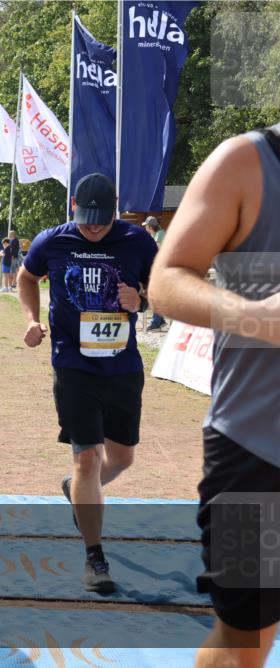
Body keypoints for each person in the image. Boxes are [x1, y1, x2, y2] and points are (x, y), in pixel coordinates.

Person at [148, 124, 280, 668]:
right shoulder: (247, 161)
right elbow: (166, 280)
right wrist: (256, 316)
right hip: (257, 459)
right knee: (245, 642)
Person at [17, 172, 157, 594]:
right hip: (74, 366)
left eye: (101, 221)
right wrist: (31, 320)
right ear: (73, 206)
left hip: (124, 367)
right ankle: (95, 557)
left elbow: (164, 286)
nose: (93, 229)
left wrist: (144, 300)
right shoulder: (52, 240)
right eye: (86, 220)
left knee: (122, 459)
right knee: (87, 461)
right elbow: (26, 277)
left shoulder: (138, 241)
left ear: (115, 209)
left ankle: (76, 491)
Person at [142, 217, 167, 331]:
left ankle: (156, 321)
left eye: (146, 226)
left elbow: (155, 253)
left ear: (150, 227)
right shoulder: (158, 234)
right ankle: (159, 320)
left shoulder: (159, 236)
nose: (145, 228)